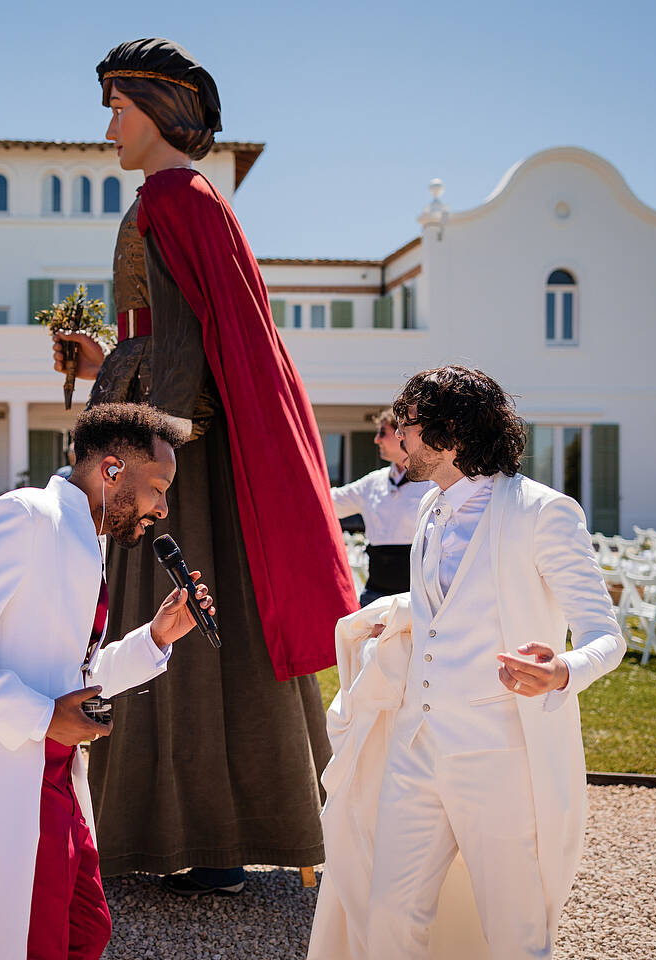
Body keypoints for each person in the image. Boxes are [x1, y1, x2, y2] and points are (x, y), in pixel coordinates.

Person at [51, 38, 357, 896]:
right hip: (185, 449)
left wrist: (138, 436)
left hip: (176, 461)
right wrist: (111, 357)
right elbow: (178, 340)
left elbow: (184, 353)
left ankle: (197, 838)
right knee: (197, 624)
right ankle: (213, 836)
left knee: (171, 618)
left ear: (157, 109)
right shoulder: (186, 199)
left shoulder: (173, 198)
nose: (108, 124)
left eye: (117, 106)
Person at [319, 365, 625, 959]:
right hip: (417, 747)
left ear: (449, 433)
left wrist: (562, 669)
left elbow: (604, 634)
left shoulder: (544, 512)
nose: (398, 438)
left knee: (515, 931)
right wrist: (401, 611)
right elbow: (448, 601)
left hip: (498, 754)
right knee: (388, 913)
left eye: (406, 425)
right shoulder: (431, 509)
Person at [0, 403, 214, 960]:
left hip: (55, 779)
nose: (163, 509)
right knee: (27, 941)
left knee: (84, 931)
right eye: (159, 488)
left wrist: (156, 638)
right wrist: (45, 718)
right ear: (113, 470)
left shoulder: (84, 536)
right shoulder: (24, 516)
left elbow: (71, 676)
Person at [330, 410, 433, 605]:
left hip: (418, 598)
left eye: (382, 433)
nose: (377, 440)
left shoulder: (433, 482)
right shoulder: (373, 482)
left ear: (401, 435)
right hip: (375, 594)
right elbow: (331, 503)